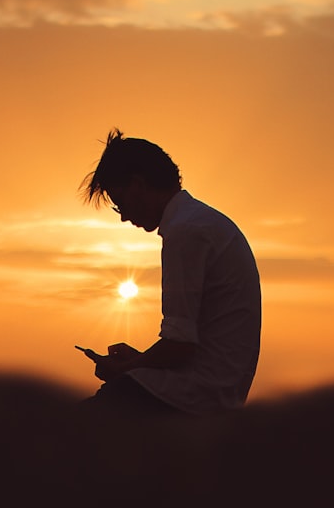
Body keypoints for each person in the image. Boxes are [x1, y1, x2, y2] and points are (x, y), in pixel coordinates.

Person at [78, 129, 261, 416]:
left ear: (137, 185)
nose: (124, 216)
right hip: (220, 392)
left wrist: (125, 368)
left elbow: (179, 345)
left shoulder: (185, 232)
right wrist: (141, 360)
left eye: (120, 203)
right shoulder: (204, 221)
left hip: (193, 397)